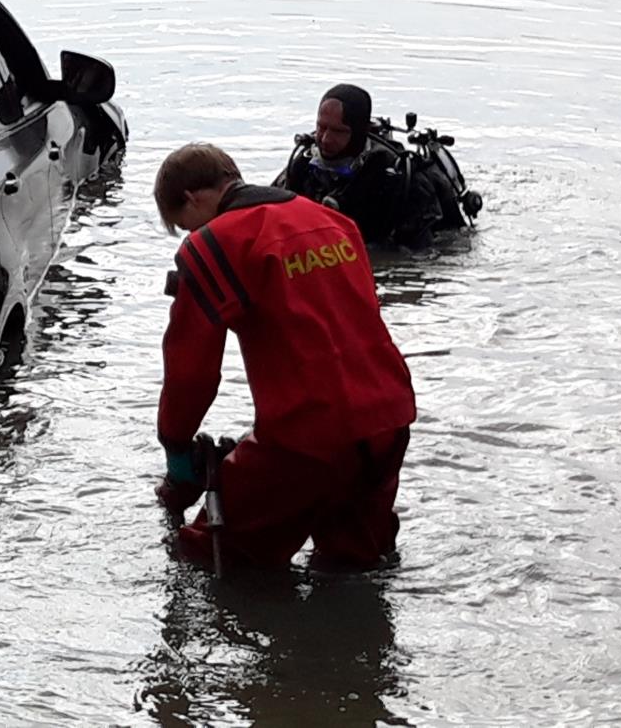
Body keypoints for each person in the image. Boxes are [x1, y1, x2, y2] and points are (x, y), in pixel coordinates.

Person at [153, 143, 415, 570]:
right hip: (389, 419)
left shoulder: (212, 246)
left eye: (185, 226)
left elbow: (191, 372)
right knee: (354, 563)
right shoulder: (332, 221)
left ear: (192, 199)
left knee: (203, 555)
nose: (190, 236)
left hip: (307, 436)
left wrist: (176, 446)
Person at [275, 84, 442, 250]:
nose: (325, 139)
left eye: (338, 131)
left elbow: (425, 253)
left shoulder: (396, 178)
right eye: (321, 127)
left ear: (359, 132)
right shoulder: (303, 166)